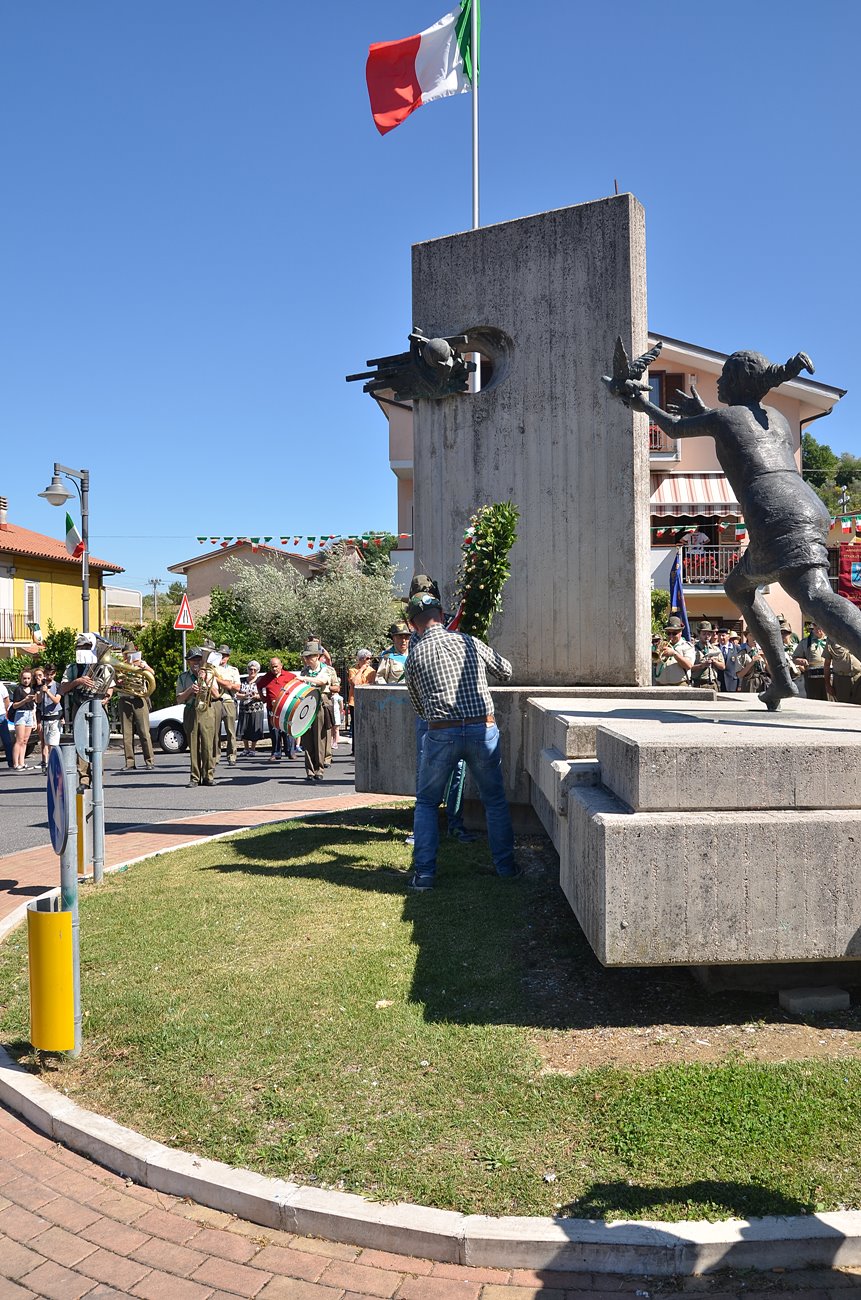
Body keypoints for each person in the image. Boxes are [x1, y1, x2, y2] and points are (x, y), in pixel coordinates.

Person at [616, 347, 861, 709]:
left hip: (774, 509)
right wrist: (705, 414)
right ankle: (781, 680)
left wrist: (640, 402)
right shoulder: (776, 417)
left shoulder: (724, 418)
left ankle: (782, 677)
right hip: (806, 504)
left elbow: (672, 428)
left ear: (738, 382)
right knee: (743, 586)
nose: (719, 383)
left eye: (725, 377)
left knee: (813, 595)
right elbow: (742, 434)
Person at [404, 591, 517, 890]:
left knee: (427, 803)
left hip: (441, 732)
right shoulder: (468, 641)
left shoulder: (414, 656)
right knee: (494, 801)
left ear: (413, 625)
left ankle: (425, 875)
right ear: (442, 616)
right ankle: (506, 868)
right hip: (483, 729)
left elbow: (418, 707)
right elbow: (505, 670)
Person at [176, 647, 220, 786]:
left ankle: (208, 776)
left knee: (208, 745)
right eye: (192, 660)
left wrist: (206, 679)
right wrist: (190, 690)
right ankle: (195, 777)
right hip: (191, 711)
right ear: (188, 662)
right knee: (193, 746)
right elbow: (179, 699)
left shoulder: (210, 674)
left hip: (207, 710)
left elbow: (216, 695)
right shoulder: (183, 677)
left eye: (198, 659)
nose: (196, 662)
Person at [298, 640, 339, 780]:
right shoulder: (304, 670)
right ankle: (310, 770)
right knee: (307, 738)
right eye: (305, 656)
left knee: (320, 738)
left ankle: (319, 769)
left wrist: (304, 678)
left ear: (317, 656)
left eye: (309, 656)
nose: (307, 659)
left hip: (321, 703)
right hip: (306, 704)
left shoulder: (327, 670)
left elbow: (323, 682)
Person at [119, 642, 155, 771]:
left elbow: (152, 673)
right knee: (127, 734)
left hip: (139, 699)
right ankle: (129, 762)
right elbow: (115, 680)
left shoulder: (141, 663)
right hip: (125, 699)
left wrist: (143, 667)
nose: (128, 656)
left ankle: (149, 760)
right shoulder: (120, 665)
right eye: (126, 654)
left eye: (131, 654)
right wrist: (119, 680)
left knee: (144, 731)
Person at [256, 657, 298, 762]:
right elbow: (259, 686)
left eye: (276, 666)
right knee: (274, 731)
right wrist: (263, 698)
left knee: (288, 730)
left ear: (281, 666)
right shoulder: (266, 677)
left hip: (286, 708)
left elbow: (297, 687)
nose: (274, 669)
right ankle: (276, 753)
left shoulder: (290, 676)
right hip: (272, 709)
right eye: (272, 667)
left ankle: (290, 752)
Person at [215, 645, 241, 766]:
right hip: (215, 701)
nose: (223, 658)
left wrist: (221, 682)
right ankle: (216, 756)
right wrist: (228, 684)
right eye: (221, 655)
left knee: (231, 731)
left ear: (228, 657)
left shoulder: (233, 670)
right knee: (215, 732)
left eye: (225, 656)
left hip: (229, 701)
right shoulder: (213, 669)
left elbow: (237, 687)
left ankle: (232, 756)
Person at [8, 668, 38, 771]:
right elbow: (15, 705)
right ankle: (16, 764)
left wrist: (34, 720)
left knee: (25, 740)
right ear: (21, 678)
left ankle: (22, 762)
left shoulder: (32, 690)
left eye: (28, 678)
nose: (26, 680)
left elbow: (33, 706)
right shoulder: (18, 690)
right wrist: (25, 700)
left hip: (29, 714)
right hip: (20, 714)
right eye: (24, 678)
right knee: (19, 740)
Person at [347, 648, 375, 754]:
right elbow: (355, 683)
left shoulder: (372, 671)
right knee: (355, 726)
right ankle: (355, 749)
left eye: (370, 658)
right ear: (360, 659)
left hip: (367, 702)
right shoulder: (352, 670)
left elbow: (372, 684)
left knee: (367, 726)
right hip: (354, 701)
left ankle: (366, 748)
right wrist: (361, 669)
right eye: (367, 658)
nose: (369, 661)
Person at [653, 616, 695, 686]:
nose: (671, 636)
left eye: (674, 633)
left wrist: (674, 653)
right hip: (660, 684)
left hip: (679, 685)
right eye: (668, 633)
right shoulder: (662, 645)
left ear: (680, 632)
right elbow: (653, 662)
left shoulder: (687, 646)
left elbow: (689, 665)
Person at [237, 660, 267, 755]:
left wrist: (257, 696)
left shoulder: (261, 681)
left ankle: (253, 749)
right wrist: (243, 696)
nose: (252, 671)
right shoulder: (242, 680)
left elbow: (265, 695)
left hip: (256, 708)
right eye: (250, 669)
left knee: (254, 728)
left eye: (255, 669)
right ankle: (246, 748)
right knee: (244, 729)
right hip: (244, 708)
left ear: (258, 670)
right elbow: (236, 694)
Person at [793, 620, 828, 702]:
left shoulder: (831, 642)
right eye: (815, 626)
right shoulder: (805, 642)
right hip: (812, 678)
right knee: (814, 701)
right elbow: (794, 658)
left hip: (829, 677)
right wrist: (801, 661)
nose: (818, 628)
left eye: (820, 626)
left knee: (829, 701)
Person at [38, 664, 64, 771]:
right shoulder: (41, 686)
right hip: (44, 717)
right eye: (47, 674)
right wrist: (41, 690)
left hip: (55, 717)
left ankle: (54, 764)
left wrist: (47, 691)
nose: (49, 676)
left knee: (53, 743)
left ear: (55, 674)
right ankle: (46, 763)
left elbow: (57, 700)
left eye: (51, 674)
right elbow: (38, 700)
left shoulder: (58, 686)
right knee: (46, 742)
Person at [824, 637, 861, 705]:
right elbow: (827, 664)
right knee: (843, 706)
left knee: (858, 707)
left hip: (858, 679)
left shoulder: (857, 635)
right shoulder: (832, 639)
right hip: (841, 681)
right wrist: (828, 685)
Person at [690, 622, 724, 689]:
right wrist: (702, 665)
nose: (707, 636)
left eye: (709, 634)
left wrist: (714, 661)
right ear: (699, 634)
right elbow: (689, 668)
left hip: (713, 683)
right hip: (698, 683)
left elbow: (723, 666)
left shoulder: (715, 649)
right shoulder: (692, 649)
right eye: (704, 634)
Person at [0, 677, 13, 768]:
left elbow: (6, 699)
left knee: (7, 741)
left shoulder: (1, 686)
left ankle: (11, 762)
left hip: (1, 715)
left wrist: (5, 711)